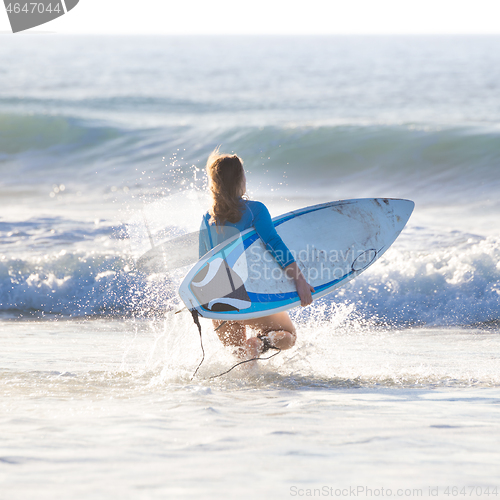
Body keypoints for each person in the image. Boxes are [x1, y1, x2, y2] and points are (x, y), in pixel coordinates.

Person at [199, 148, 315, 361]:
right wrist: (299, 280)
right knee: (289, 337)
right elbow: (275, 246)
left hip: (219, 303)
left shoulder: (208, 218)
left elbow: (203, 264)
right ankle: (260, 342)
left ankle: (245, 392)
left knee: (242, 361)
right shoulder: (255, 210)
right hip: (250, 298)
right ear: (240, 180)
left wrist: (201, 305)